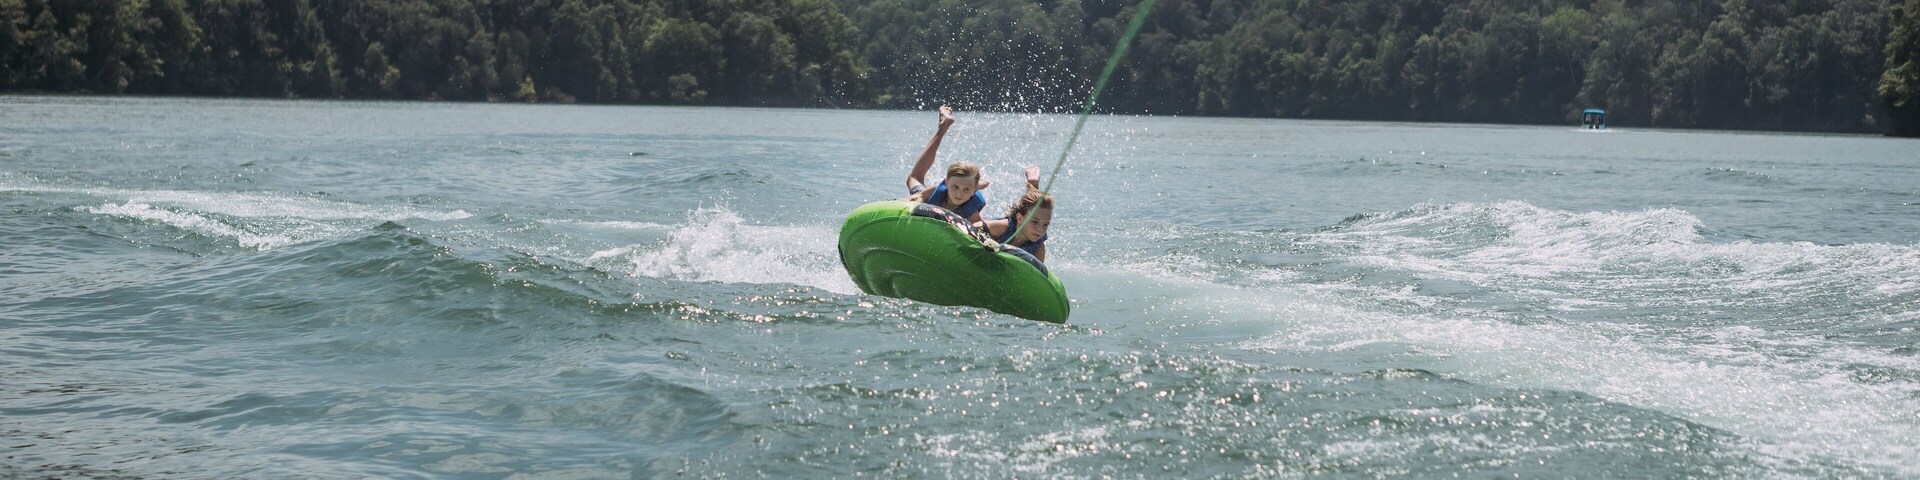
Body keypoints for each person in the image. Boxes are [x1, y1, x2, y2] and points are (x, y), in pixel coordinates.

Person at [903, 105, 991, 223]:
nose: (959, 194)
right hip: (936, 198)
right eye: (955, 187)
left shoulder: (971, 209)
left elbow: (979, 225)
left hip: (971, 186)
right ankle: (942, 128)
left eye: (966, 190)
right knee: (914, 178)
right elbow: (915, 198)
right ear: (946, 182)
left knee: (915, 177)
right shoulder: (935, 191)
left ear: (974, 191)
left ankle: (943, 125)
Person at [981, 175, 1053, 262]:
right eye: (1035, 222)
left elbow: (1038, 270)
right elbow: (977, 228)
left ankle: (1033, 185)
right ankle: (1033, 184)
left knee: (1035, 212)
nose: (1040, 229)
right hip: (983, 221)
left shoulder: (1038, 247)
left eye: (1045, 224)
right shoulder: (1004, 227)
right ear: (1019, 218)